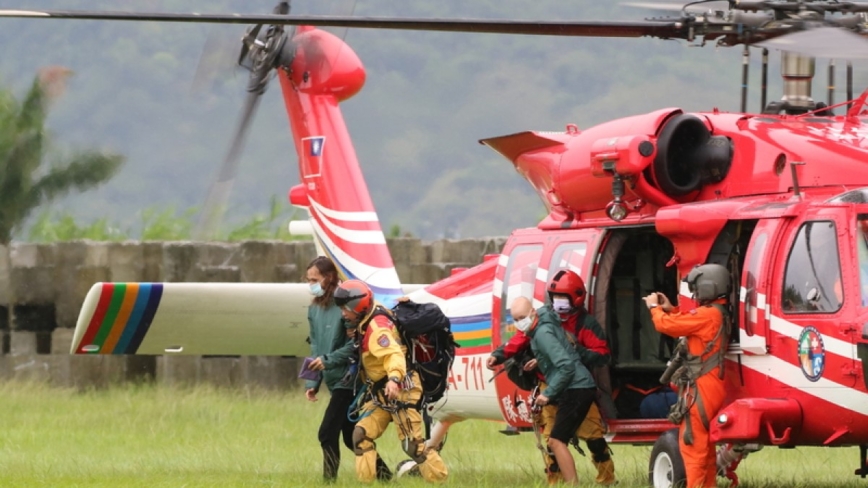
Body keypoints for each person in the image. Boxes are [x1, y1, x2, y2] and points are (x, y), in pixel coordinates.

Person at [488, 270, 616, 485]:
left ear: (575, 298)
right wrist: (499, 354)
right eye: (555, 298)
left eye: (563, 299)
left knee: (594, 438)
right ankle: (554, 482)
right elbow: (520, 339)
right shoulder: (541, 319)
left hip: (574, 386)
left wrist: (576, 351)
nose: (558, 303)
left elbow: (602, 356)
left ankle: (607, 480)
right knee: (552, 442)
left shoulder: (586, 325)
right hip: (550, 385)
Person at [334, 279, 448, 483]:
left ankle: (439, 480)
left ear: (357, 307)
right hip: (382, 392)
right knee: (360, 435)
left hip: (401, 389)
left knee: (414, 447)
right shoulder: (371, 314)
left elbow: (394, 354)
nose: (343, 313)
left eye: (345, 308)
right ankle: (366, 483)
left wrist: (394, 379)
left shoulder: (377, 328)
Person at [303, 257, 391, 482]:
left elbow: (355, 346)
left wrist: (329, 360)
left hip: (349, 378)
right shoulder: (313, 310)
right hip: (332, 378)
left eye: (315, 279)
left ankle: (328, 482)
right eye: (308, 279)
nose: (310, 283)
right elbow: (315, 345)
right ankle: (386, 477)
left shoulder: (345, 308)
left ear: (329, 278)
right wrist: (312, 382)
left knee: (326, 433)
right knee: (350, 435)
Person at [643, 263, 731, 488]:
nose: (695, 293)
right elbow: (686, 322)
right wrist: (671, 308)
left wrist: (654, 308)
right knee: (707, 452)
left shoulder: (708, 315)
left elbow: (667, 326)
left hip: (700, 391)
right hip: (713, 388)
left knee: (692, 448)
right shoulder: (718, 313)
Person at [506, 296, 597, 486]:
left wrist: (548, 393)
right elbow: (563, 350)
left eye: (522, 317)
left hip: (577, 387)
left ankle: (573, 484)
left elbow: (566, 367)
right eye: (515, 319)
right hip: (578, 386)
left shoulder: (542, 333)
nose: (518, 322)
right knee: (557, 440)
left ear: (532, 312)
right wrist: (540, 360)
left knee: (556, 441)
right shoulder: (544, 324)